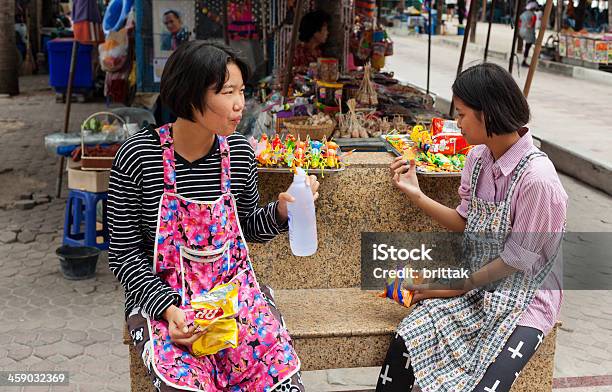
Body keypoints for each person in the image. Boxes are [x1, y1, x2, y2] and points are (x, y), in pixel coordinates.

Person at [108, 41, 320, 391]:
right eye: (226, 92)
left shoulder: (238, 152)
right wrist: (167, 309)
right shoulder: (138, 156)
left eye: (241, 91)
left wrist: (284, 212)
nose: (240, 104)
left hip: (234, 299)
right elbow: (124, 253)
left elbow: (248, 226)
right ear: (190, 93)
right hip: (164, 301)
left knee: (279, 380)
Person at [377, 63, 566, 392]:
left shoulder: (538, 180)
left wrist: (453, 285)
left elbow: (516, 261)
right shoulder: (478, 159)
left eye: (462, 114)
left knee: (485, 387)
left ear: (488, 114)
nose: (457, 123)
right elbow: (465, 222)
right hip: (477, 285)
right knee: (405, 341)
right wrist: (416, 194)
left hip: (525, 301)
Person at [519, 1, 538, 66]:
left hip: (521, 31)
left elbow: (519, 23)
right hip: (529, 32)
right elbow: (531, 25)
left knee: (526, 46)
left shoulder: (523, 14)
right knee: (528, 47)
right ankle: (524, 61)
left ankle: (524, 59)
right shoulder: (533, 15)